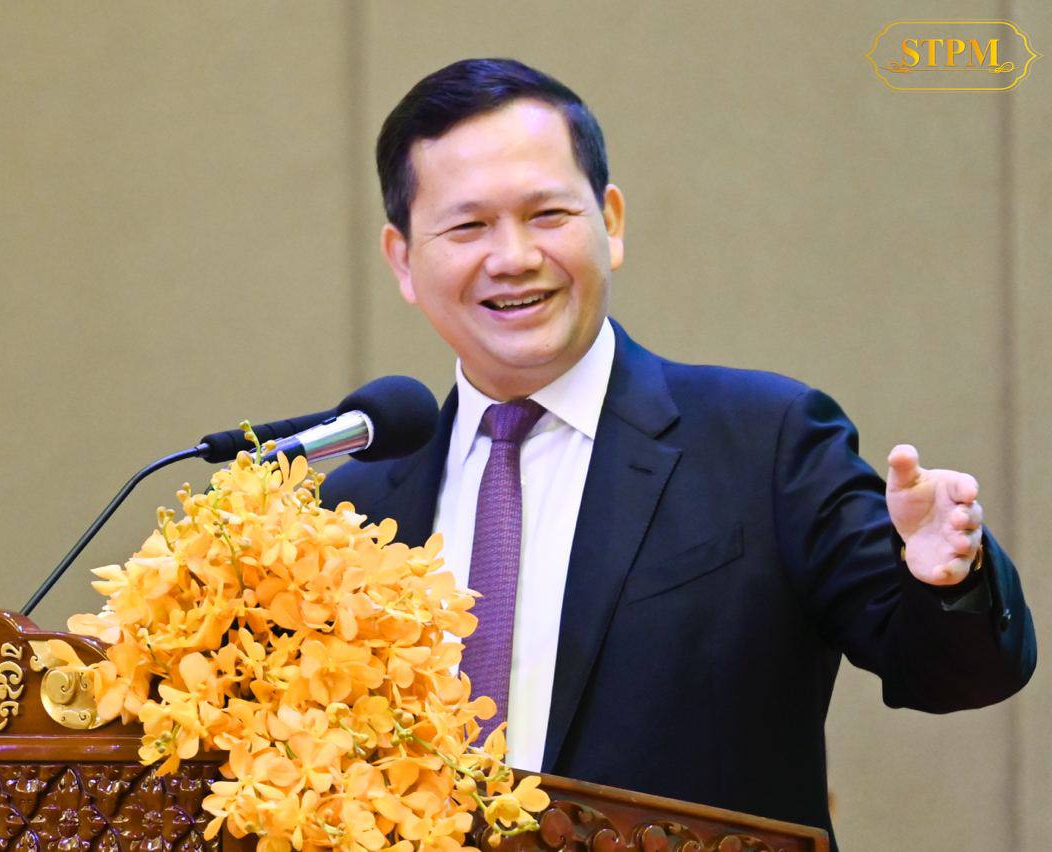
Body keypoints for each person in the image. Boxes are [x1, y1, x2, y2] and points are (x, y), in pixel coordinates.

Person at [319, 58, 1035, 844]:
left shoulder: (764, 441)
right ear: (403, 259)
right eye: (468, 227)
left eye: (548, 214)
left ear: (611, 222)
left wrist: (944, 578)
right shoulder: (351, 512)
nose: (514, 256)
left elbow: (952, 674)